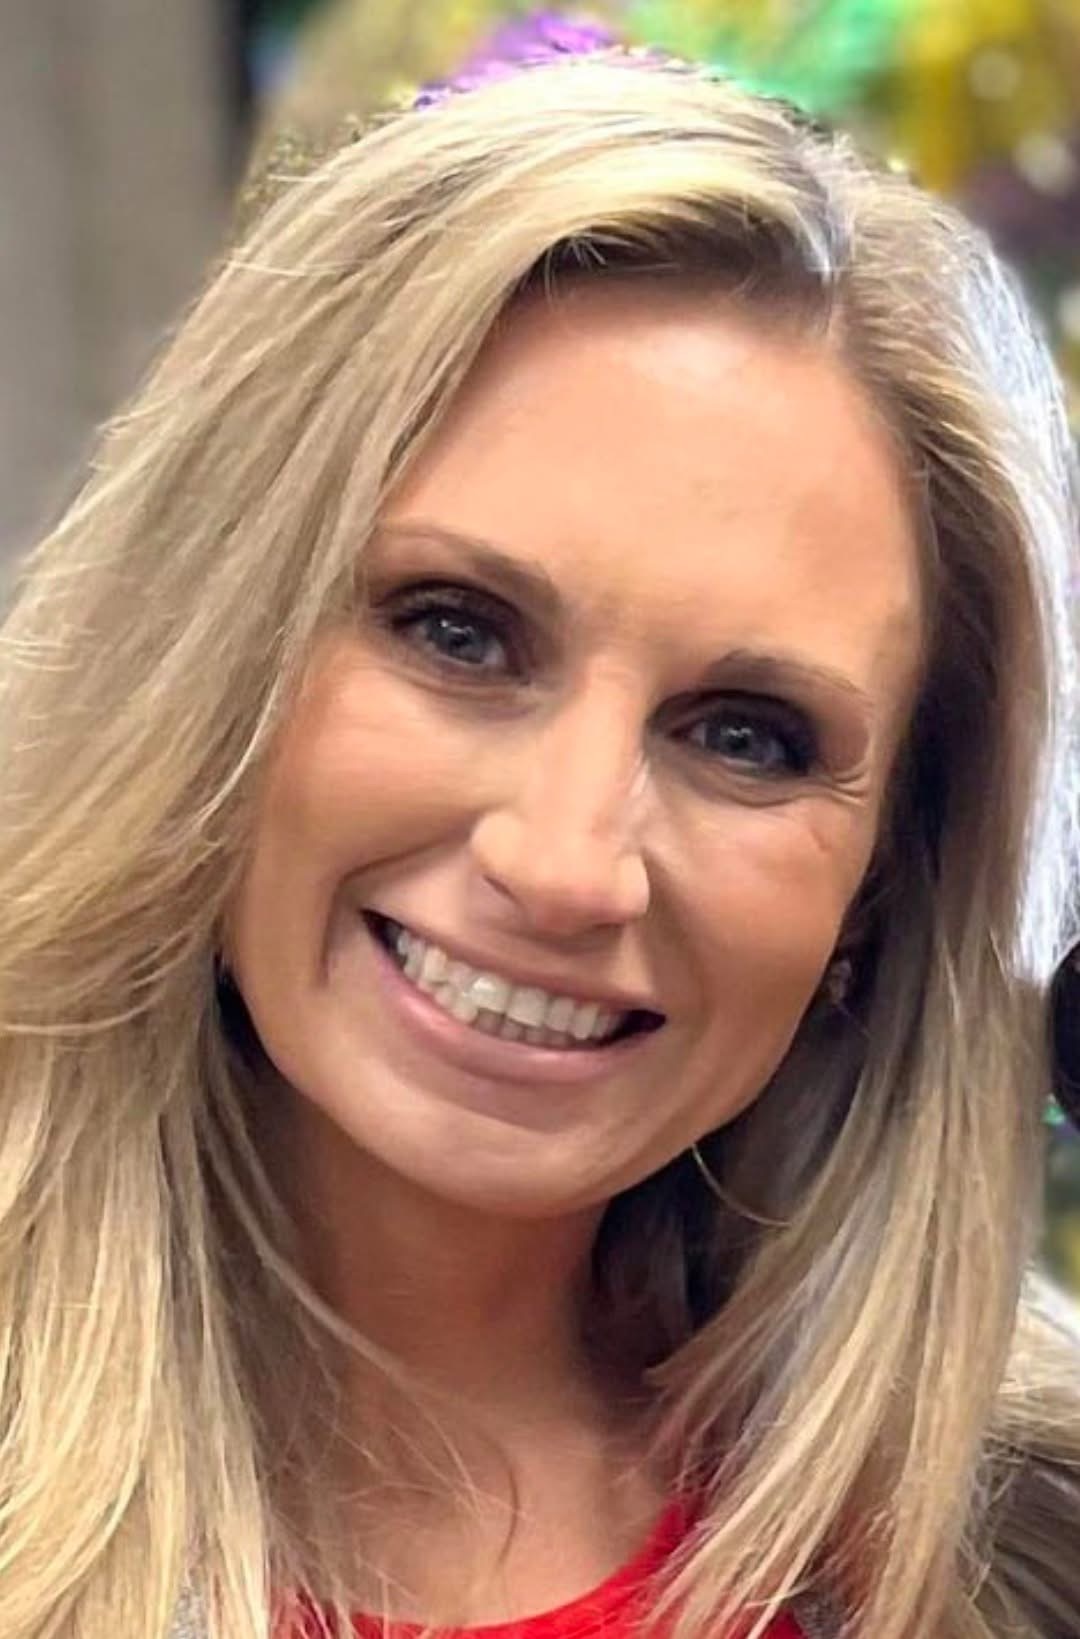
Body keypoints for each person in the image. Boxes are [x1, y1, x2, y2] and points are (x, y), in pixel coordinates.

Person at [1, 43, 1078, 1639]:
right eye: (456, 631)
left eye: (747, 737)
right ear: (210, 637)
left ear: (886, 885)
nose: (567, 863)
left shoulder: (1019, 1548)